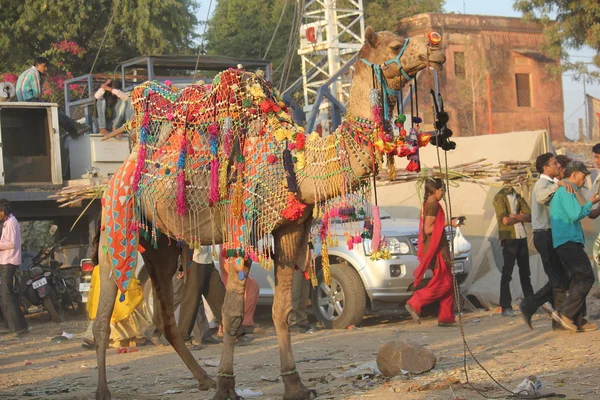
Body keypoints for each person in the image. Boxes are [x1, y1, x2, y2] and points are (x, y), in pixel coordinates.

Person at [519, 153, 572, 330]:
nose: (558, 165)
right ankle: (531, 305)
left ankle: (555, 317)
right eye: (554, 163)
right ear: (545, 168)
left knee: (560, 277)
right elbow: (542, 197)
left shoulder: (550, 183)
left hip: (550, 234)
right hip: (544, 234)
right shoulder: (542, 184)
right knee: (558, 278)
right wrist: (558, 185)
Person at [549, 161, 600, 332]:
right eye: (584, 176)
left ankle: (576, 320)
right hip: (568, 242)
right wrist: (590, 203)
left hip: (567, 242)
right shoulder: (566, 190)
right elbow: (575, 214)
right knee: (587, 277)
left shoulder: (566, 190)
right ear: (575, 174)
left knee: (577, 280)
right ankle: (564, 312)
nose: (585, 180)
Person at [405, 178, 458, 327]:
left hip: (438, 248)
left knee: (447, 282)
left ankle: (446, 317)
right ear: (435, 191)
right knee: (445, 283)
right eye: (442, 190)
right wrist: (449, 223)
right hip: (437, 251)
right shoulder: (433, 206)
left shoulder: (428, 204)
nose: (443, 193)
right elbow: (428, 229)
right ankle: (415, 302)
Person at [16, 56, 87, 139]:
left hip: (25, 100)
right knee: (56, 109)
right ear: (38, 65)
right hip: (29, 100)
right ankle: (74, 127)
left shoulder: (28, 72)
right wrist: (42, 81)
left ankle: (73, 130)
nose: (45, 69)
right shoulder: (34, 73)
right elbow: (37, 94)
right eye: (44, 66)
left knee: (56, 110)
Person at [493, 182, 534, 316]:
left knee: (525, 272)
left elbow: (529, 216)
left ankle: (530, 303)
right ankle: (505, 306)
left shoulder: (518, 196)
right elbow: (505, 220)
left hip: (521, 237)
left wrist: (515, 216)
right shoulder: (499, 197)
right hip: (509, 237)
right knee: (507, 273)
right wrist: (520, 217)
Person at [178, 246, 225, 345]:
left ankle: (234, 332)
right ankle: (182, 338)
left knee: (219, 295)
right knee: (191, 300)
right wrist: (182, 266)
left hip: (207, 260)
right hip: (193, 261)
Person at [0, 199, 29, 337]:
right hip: (5, 260)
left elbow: (11, 243)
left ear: (3, 210)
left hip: (9, 260)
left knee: (7, 295)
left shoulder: (11, 222)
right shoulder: (7, 222)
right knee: (5, 294)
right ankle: (13, 326)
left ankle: (19, 327)